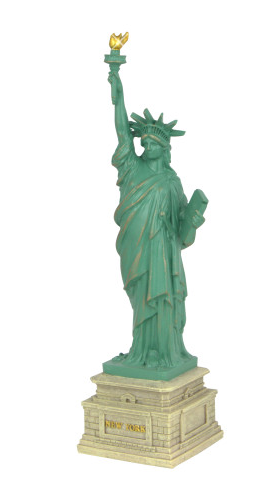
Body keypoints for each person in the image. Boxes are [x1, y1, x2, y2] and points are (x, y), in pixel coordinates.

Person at [107, 70, 205, 370]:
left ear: (165, 150)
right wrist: (118, 93)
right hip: (135, 245)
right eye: (145, 143)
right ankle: (141, 351)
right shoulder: (131, 168)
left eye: (153, 145)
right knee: (141, 298)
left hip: (163, 250)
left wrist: (193, 221)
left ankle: (165, 353)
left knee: (164, 299)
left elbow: (182, 230)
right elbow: (122, 132)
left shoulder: (172, 182)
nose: (146, 148)